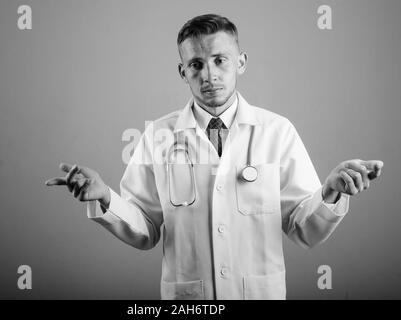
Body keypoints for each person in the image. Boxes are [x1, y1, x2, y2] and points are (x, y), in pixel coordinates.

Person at [45, 14, 383, 300]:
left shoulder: (276, 131)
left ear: (241, 62)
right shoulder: (158, 136)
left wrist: (331, 191)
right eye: (196, 64)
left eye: (220, 60)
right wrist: (105, 197)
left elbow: (302, 228)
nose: (209, 75)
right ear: (183, 72)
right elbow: (145, 230)